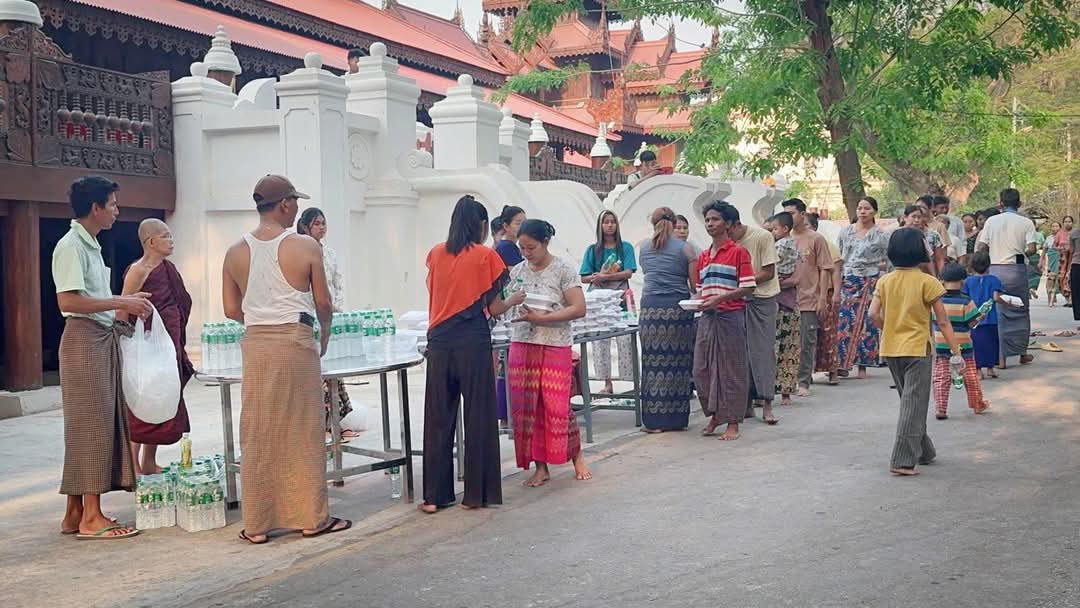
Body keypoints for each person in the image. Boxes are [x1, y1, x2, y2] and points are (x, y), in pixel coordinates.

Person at [222, 175, 350, 544]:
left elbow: (232, 309)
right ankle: (311, 517)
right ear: (284, 205)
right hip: (295, 340)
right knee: (303, 428)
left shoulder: (234, 252)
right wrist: (323, 332)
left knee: (258, 431)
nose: (296, 207)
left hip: (257, 345)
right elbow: (324, 303)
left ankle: (258, 524)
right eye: (294, 201)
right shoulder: (306, 246)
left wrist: (262, 317)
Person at [53, 176, 152, 540]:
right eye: (112, 204)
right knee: (92, 425)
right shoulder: (70, 246)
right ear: (95, 208)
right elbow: (69, 302)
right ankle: (91, 518)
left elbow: (90, 296)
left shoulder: (89, 244)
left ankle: (74, 511)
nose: (116, 210)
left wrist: (123, 303)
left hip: (98, 337)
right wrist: (121, 301)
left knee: (93, 422)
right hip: (84, 339)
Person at [421, 195, 514, 513]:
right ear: (482, 225)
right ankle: (477, 493)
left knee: (438, 419)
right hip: (472, 340)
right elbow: (493, 306)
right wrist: (514, 300)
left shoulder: (435, 253)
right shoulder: (486, 256)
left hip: (439, 341)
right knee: (478, 415)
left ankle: (434, 496)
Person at [869, 227, 963, 477]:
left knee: (910, 401)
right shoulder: (927, 282)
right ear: (920, 251)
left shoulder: (885, 281)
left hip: (890, 348)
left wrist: (887, 328)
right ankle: (902, 460)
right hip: (918, 349)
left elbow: (872, 314)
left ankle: (924, 451)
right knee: (913, 404)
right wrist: (956, 352)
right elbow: (943, 322)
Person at [508, 219, 590, 486]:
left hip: (554, 343)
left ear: (545, 243)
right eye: (522, 248)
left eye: (531, 247)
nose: (526, 253)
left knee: (557, 405)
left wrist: (545, 318)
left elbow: (578, 308)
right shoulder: (518, 271)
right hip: (523, 342)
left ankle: (576, 456)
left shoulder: (563, 269)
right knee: (527, 407)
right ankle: (540, 466)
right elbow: (509, 304)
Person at [121, 218, 193, 476]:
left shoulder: (168, 268)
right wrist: (124, 344)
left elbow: (181, 302)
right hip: (148, 346)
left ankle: (150, 461)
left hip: (170, 343)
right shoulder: (138, 271)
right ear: (151, 241)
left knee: (164, 397)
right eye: (166, 236)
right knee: (144, 399)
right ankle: (133, 465)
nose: (171, 240)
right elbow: (122, 308)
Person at [694, 201, 757, 441]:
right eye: (708, 220)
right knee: (702, 369)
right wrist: (694, 302)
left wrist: (720, 298)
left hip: (731, 316)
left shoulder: (738, 252)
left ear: (728, 224)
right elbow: (701, 290)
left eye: (715, 219)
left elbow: (748, 286)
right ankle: (715, 413)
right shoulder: (703, 256)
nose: (710, 224)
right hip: (708, 317)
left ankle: (733, 422)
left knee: (732, 370)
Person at [296, 207, 358, 442]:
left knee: (334, 371)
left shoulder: (328, 253)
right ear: (305, 226)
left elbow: (336, 282)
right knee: (316, 375)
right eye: (317, 224)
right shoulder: (300, 252)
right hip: (310, 317)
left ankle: (336, 423)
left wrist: (335, 309)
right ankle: (319, 425)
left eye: (324, 223)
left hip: (330, 317)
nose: (322, 227)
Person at [637, 207, 697, 432]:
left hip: (650, 310)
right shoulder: (685, 249)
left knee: (652, 364)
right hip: (677, 310)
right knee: (679, 364)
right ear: (674, 224)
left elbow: (648, 274)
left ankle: (653, 422)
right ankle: (676, 420)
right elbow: (693, 285)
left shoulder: (643, 248)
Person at [976, 188, 1038, 367]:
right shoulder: (1026, 223)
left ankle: (1001, 358)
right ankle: (1022, 353)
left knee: (998, 312)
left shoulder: (991, 221)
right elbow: (1032, 248)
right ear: (1019, 204)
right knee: (1021, 309)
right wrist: (1021, 253)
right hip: (1016, 270)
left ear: (1000, 203)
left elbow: (982, 246)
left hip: (995, 270)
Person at [731, 207, 780, 424]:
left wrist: (743, 284)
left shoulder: (762, 236)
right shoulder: (725, 243)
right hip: (737, 300)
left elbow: (769, 272)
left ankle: (768, 404)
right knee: (740, 354)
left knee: (762, 352)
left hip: (761, 299)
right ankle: (747, 404)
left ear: (734, 224)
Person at [580, 210, 637, 395]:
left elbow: (628, 272)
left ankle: (631, 380)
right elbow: (584, 277)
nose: (610, 225)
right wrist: (596, 277)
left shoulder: (625, 247)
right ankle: (607, 382)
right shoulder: (593, 249)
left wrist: (607, 275)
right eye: (606, 222)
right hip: (599, 303)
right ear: (600, 226)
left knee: (625, 338)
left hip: (620, 297)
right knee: (600, 341)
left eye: (613, 222)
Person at [836, 197, 889, 380]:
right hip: (849, 279)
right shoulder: (845, 232)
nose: (862, 212)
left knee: (867, 322)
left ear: (874, 211)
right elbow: (840, 257)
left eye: (866, 208)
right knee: (845, 321)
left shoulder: (881, 235)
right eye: (859, 208)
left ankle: (863, 365)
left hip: (870, 279)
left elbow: (886, 260)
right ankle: (843, 364)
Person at [783, 199, 832, 397]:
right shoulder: (782, 238)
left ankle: (803, 381)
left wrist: (822, 298)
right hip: (785, 298)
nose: (788, 217)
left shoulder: (816, 239)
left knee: (806, 341)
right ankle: (787, 381)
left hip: (808, 298)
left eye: (792, 213)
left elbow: (826, 269)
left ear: (803, 214)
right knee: (787, 342)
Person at [931, 263, 990, 419]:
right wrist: (980, 317)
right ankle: (978, 404)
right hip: (964, 347)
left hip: (942, 346)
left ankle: (941, 409)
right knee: (971, 378)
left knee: (941, 378)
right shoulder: (966, 301)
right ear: (962, 281)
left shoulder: (936, 301)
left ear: (941, 280)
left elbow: (932, 320)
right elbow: (971, 323)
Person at [769, 212, 801, 407]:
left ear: (785, 229)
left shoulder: (780, 246)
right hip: (781, 302)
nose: (773, 233)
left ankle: (783, 391)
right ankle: (779, 392)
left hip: (783, 305)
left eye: (774, 229)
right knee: (782, 350)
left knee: (783, 349)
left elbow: (795, 278)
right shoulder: (794, 246)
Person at [807, 213, 841, 385]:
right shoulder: (796, 243)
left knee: (828, 333)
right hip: (806, 294)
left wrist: (835, 293)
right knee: (809, 334)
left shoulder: (828, 245)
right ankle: (807, 372)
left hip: (825, 293)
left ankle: (833, 370)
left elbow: (834, 271)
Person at [903, 204, 945, 275]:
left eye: (919, 217)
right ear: (905, 217)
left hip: (925, 275)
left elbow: (938, 259)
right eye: (913, 217)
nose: (916, 220)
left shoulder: (931, 235)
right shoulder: (896, 235)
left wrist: (941, 276)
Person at [931, 195, 965, 261]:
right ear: (934, 208)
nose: (945, 210)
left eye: (946, 207)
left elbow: (962, 241)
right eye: (941, 208)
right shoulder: (931, 222)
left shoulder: (957, 221)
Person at [1063, 219, 1080, 325]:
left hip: (1076, 264)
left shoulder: (1074, 234)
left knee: (1077, 292)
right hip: (1076, 264)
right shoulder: (1074, 234)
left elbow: (1071, 251)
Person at [1055, 215, 1074, 307]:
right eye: (1066, 221)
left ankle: (1071, 299)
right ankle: (1066, 299)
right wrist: (1060, 248)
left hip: (1073, 258)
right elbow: (1054, 245)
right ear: (1063, 223)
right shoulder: (1059, 234)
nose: (1068, 223)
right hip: (1062, 259)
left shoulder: (1075, 233)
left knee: (1070, 276)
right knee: (1061, 277)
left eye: (1069, 221)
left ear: (1072, 223)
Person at [1043, 221, 1063, 306]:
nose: (1055, 228)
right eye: (1053, 226)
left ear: (1060, 228)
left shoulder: (1063, 237)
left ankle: (1054, 296)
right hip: (1051, 260)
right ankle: (1049, 299)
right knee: (1050, 279)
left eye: (1056, 226)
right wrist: (1042, 262)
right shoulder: (1048, 238)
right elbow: (1044, 250)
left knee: (1058, 278)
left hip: (1060, 260)